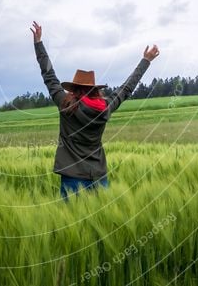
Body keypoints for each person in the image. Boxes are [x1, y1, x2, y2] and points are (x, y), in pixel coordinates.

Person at [31, 20, 159, 201]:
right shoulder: (105, 107)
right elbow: (126, 88)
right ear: (95, 89)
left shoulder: (65, 104)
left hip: (72, 177)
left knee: (71, 226)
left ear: (73, 89)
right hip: (98, 177)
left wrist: (38, 43)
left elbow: (49, 77)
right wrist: (146, 60)